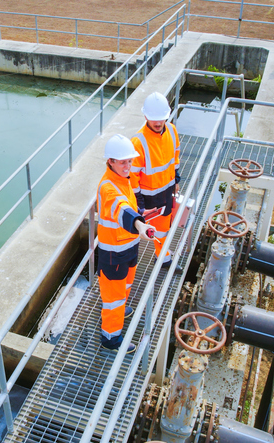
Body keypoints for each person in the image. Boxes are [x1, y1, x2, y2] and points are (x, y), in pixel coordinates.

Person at [96, 134, 156, 352]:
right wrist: (139, 225)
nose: (128, 165)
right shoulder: (107, 187)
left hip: (128, 248)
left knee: (125, 288)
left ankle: (121, 310)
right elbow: (120, 209)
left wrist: (141, 214)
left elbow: (129, 207)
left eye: (130, 161)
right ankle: (110, 339)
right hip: (114, 254)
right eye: (123, 162)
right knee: (113, 298)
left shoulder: (123, 179)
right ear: (110, 161)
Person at [130, 92, 181, 270]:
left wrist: (177, 179)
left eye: (161, 119)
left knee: (163, 230)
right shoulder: (138, 142)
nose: (158, 123)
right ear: (145, 116)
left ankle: (163, 258)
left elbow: (175, 155)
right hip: (147, 199)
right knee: (136, 232)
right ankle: (130, 266)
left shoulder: (172, 131)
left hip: (166, 194)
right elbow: (132, 177)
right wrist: (139, 204)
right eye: (154, 119)